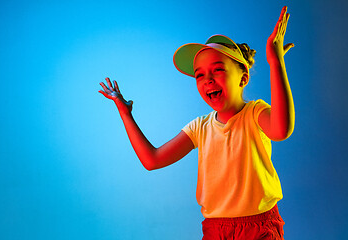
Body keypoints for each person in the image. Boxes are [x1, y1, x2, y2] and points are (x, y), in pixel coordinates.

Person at [98, 6, 295, 240]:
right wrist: (125, 113)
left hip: (258, 227)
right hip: (215, 229)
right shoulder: (198, 128)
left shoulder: (255, 113)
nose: (207, 79)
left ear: (243, 77)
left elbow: (281, 130)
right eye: (199, 74)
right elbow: (151, 160)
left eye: (218, 69)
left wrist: (276, 63)